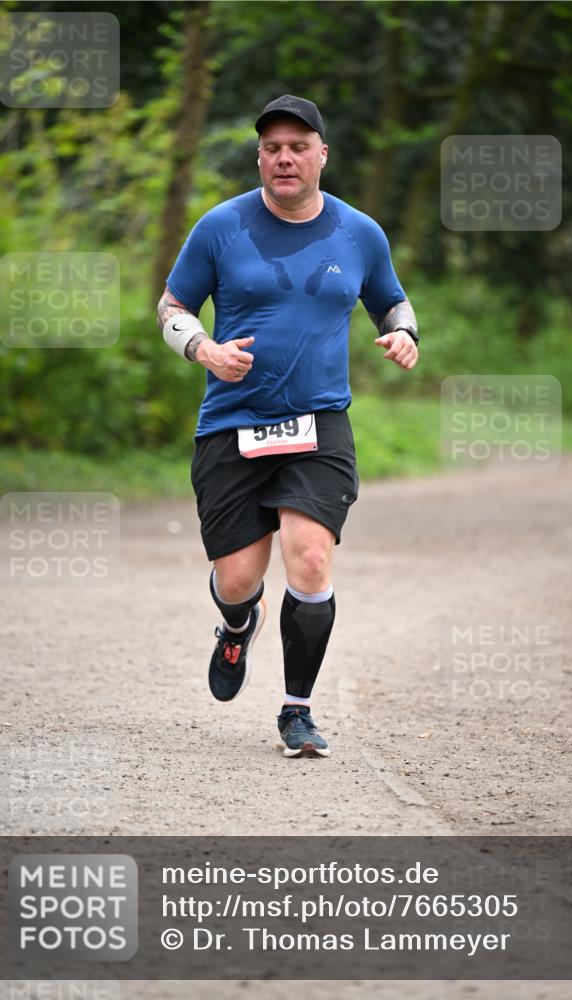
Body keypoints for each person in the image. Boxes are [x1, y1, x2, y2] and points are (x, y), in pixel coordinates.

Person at [157, 94, 418, 758]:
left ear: (321, 155)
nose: (284, 157)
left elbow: (390, 300)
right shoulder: (221, 227)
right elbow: (172, 305)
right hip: (232, 423)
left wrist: (403, 333)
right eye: (272, 147)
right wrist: (203, 349)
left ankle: (296, 710)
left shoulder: (359, 232)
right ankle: (237, 625)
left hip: (317, 423)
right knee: (239, 579)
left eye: (297, 146)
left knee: (309, 557)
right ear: (259, 157)